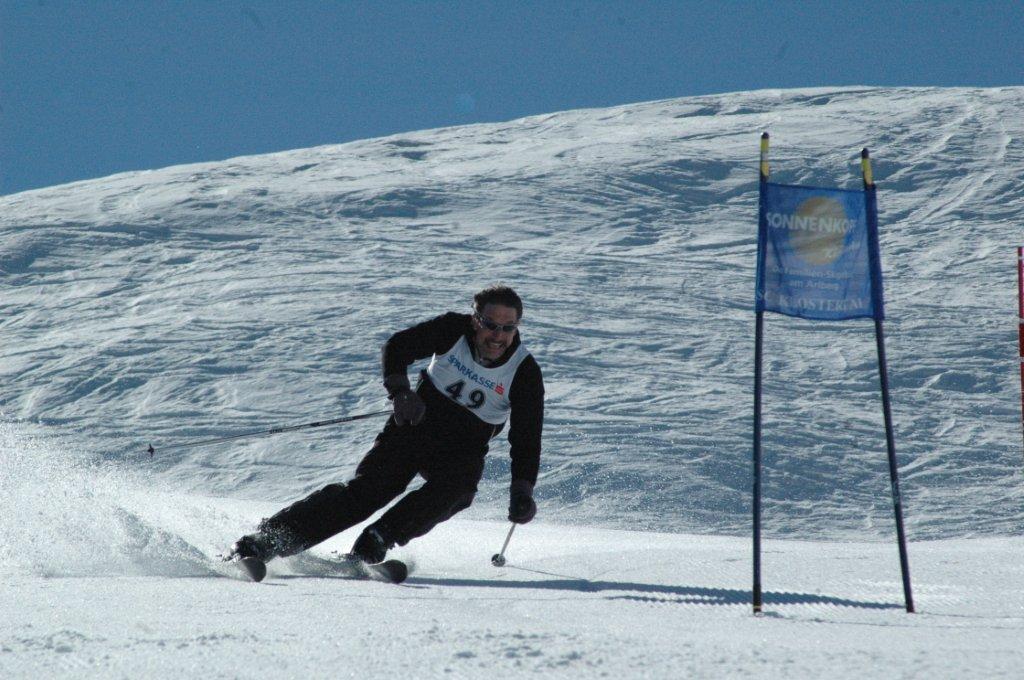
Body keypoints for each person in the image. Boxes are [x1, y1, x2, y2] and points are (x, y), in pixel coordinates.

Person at [230, 285, 545, 567]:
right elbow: (398, 346)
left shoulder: (524, 373)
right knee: (368, 493)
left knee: (459, 490)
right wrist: (401, 392)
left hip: (462, 449)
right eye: (490, 325)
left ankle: (375, 542)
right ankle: (267, 541)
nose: (498, 336)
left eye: (508, 328)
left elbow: (526, 439)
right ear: (475, 320)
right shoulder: (452, 329)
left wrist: (522, 491)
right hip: (414, 428)